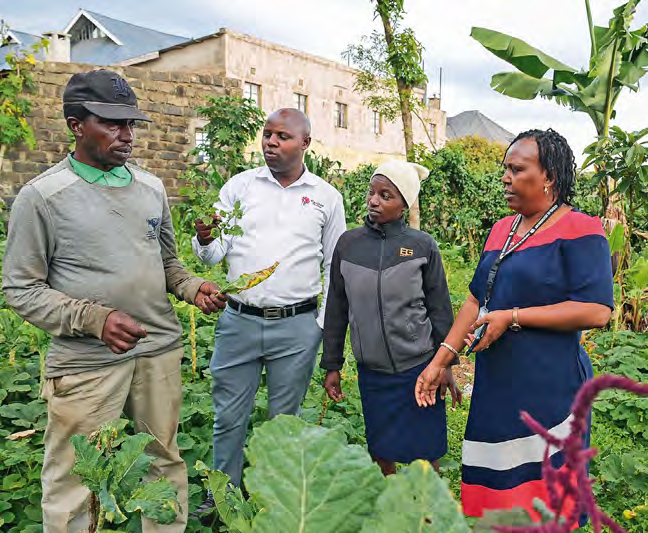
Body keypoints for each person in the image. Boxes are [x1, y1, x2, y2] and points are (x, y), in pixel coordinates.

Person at [1, 69, 226, 533]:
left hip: (158, 349)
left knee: (163, 461)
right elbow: (19, 288)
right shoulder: (43, 196)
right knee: (74, 479)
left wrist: (191, 287)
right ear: (75, 124)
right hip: (86, 361)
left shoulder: (151, 187)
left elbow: (167, 263)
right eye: (112, 123)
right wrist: (94, 319)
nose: (127, 135)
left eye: (131, 124)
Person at [414, 129, 613, 521]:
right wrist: (442, 359)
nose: (505, 177)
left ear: (549, 177)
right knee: (497, 497)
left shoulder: (581, 229)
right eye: (505, 168)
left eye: (517, 169)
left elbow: (596, 310)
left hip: (549, 387)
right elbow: (475, 299)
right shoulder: (501, 230)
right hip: (497, 385)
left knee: (546, 500)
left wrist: (514, 317)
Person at [191, 109, 346, 502]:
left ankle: (271, 497)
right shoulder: (240, 188)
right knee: (228, 416)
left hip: (296, 327)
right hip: (239, 320)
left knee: (284, 421)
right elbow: (213, 256)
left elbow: (334, 264)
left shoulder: (326, 197)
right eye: (267, 135)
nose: (271, 143)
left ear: (305, 143)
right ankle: (221, 496)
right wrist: (206, 239)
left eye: (282, 136)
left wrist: (321, 325)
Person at [320, 160, 461, 476]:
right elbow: (337, 308)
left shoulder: (422, 246)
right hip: (374, 374)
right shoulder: (349, 245)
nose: (374, 201)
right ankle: (390, 511)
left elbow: (440, 310)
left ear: (404, 204)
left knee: (426, 455)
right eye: (372, 192)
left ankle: (427, 516)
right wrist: (332, 365)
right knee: (381, 451)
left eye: (386, 195)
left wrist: (446, 365)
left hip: (419, 370)